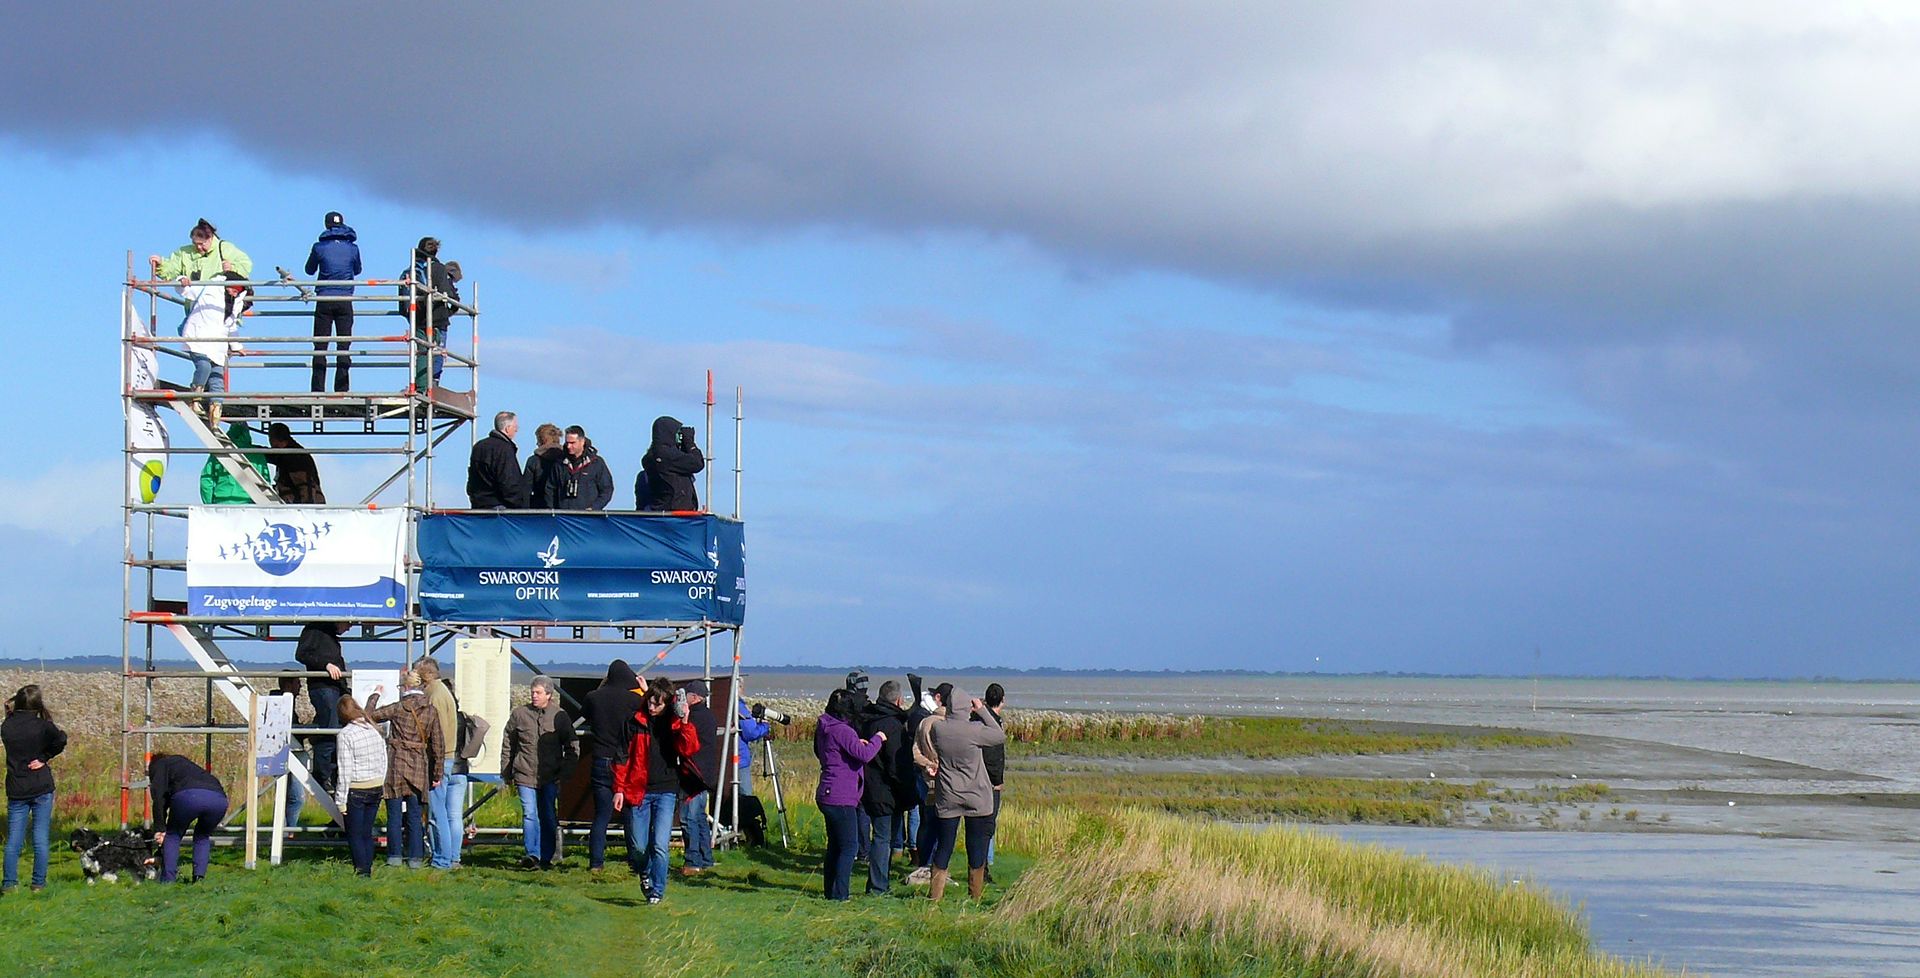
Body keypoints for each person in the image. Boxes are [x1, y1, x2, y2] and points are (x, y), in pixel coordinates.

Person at [612, 682, 699, 903]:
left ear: (667, 704)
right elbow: (622, 758)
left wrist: (685, 720)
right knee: (639, 846)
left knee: (660, 844)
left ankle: (657, 891)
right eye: (650, 702)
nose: (652, 707)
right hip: (638, 789)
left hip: (667, 790)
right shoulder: (633, 723)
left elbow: (689, 749)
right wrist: (619, 790)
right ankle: (645, 872)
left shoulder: (675, 722)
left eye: (657, 705)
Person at [924, 687, 1005, 902]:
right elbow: (999, 735)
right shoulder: (975, 729)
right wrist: (983, 710)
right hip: (976, 794)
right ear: (967, 707)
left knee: (945, 845)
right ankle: (975, 897)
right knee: (976, 845)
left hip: (948, 794)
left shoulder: (939, 729)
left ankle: (935, 898)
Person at [814, 688, 885, 901]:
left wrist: (857, 744)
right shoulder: (843, 730)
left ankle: (831, 890)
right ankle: (840, 894)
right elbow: (864, 755)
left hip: (827, 791)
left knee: (835, 846)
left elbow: (837, 751)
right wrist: (877, 739)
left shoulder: (825, 727)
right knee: (849, 847)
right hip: (840, 795)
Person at [368, 668, 441, 869]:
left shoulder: (398, 708)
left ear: (406, 687)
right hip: (418, 764)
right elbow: (438, 745)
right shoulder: (431, 710)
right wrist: (437, 773)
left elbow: (370, 716)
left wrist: (375, 694)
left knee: (394, 815)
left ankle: (394, 856)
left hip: (397, 763)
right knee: (415, 816)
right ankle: (416, 858)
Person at [501, 676, 576, 870]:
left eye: (538, 692)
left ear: (549, 695)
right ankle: (532, 854)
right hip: (524, 772)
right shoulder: (519, 714)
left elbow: (571, 744)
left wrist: (566, 772)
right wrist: (506, 771)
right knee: (530, 814)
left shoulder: (560, 716)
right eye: (532, 692)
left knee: (548, 815)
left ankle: (547, 856)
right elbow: (508, 742)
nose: (534, 695)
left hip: (550, 775)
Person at [580, 659, 645, 873]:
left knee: (601, 815)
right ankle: (635, 860)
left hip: (600, 758)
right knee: (630, 813)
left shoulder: (594, 697)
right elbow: (648, 714)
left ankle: (596, 863)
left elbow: (585, 712)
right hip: (624, 761)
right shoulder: (634, 700)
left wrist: (601, 687)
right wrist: (644, 691)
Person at [2, 684, 66, 894]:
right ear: (38, 705)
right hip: (40, 784)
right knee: (40, 838)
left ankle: (9, 884)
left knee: (14, 840)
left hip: (16, 786)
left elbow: (12, 722)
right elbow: (60, 739)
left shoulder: (7, 726)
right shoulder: (43, 726)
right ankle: (38, 883)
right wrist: (43, 758)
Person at [174, 271, 249, 428]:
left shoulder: (235, 303)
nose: (235, 293)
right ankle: (195, 398)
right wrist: (182, 280)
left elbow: (231, 326)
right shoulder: (210, 287)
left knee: (217, 378)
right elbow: (185, 290)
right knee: (204, 366)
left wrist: (237, 347)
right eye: (234, 289)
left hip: (218, 344)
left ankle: (216, 414)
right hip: (198, 337)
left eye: (238, 292)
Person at [857, 680, 912, 894]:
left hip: (868, 785)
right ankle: (878, 886)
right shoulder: (893, 725)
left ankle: (878, 883)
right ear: (898, 700)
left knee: (880, 837)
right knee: (882, 838)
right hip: (886, 789)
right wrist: (904, 787)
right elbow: (895, 763)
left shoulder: (867, 719)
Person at [148, 752, 229, 883]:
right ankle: (199, 879)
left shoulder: (160, 765)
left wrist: (160, 828)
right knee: (202, 836)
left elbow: (159, 799)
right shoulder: (185, 765)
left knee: (173, 836)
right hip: (219, 799)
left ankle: (168, 880)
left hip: (189, 797)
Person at [414, 657, 464, 869]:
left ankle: (442, 859)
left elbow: (435, 733)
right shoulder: (443, 691)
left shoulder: (433, 695)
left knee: (437, 813)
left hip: (439, 758)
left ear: (424, 675)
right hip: (448, 756)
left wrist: (434, 765)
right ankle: (449, 856)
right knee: (446, 812)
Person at [304, 211, 361, 392]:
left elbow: (309, 270)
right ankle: (342, 388)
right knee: (343, 344)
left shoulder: (319, 247)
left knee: (320, 345)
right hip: (345, 298)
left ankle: (318, 388)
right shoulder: (353, 248)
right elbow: (358, 270)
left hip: (324, 299)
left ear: (326, 225)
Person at [332, 694, 388, 877]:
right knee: (366, 832)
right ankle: (368, 868)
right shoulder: (373, 728)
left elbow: (345, 769)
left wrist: (340, 800)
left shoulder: (345, 734)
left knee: (355, 834)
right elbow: (383, 758)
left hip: (356, 788)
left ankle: (362, 871)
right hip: (376, 785)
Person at [293, 621, 350, 792]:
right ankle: (323, 774)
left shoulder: (330, 636)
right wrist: (326, 665)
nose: (350, 627)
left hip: (335, 689)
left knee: (337, 731)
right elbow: (302, 654)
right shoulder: (315, 630)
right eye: (349, 622)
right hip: (323, 688)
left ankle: (332, 774)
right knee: (330, 730)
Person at [905, 681, 952, 884]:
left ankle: (924, 862)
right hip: (945, 779)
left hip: (926, 776)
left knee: (926, 819)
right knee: (942, 823)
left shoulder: (925, 722)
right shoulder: (950, 725)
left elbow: (915, 751)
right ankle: (935, 865)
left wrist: (927, 764)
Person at [401, 237, 456, 393]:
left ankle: (419, 385)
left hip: (417, 318)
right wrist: (449, 312)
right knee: (436, 353)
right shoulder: (438, 268)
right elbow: (450, 296)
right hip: (437, 318)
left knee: (421, 352)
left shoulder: (412, 269)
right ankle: (431, 387)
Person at [678, 680, 721, 875]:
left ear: (694, 697)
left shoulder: (694, 718)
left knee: (688, 819)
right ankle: (706, 858)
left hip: (693, 774)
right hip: (705, 775)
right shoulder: (709, 716)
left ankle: (693, 860)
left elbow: (687, 743)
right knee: (700, 818)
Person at [150, 217, 252, 283]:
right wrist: (161, 264)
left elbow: (246, 264)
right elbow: (171, 270)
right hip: (195, 308)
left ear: (210, 238)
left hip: (220, 306)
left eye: (201, 244)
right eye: (195, 244)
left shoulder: (225, 248)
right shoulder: (184, 252)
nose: (198, 247)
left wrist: (232, 268)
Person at [638, 415, 704, 512]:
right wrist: (689, 443)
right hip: (675, 512)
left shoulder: (652, 456)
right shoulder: (666, 455)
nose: (679, 436)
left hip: (664, 510)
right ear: (669, 433)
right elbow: (697, 463)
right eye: (677, 433)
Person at [467, 411, 528, 509]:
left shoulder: (479, 446)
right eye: (515, 427)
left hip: (479, 506)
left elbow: (472, 477)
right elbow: (508, 481)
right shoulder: (504, 449)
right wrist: (519, 505)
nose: (516, 430)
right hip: (499, 507)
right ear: (508, 428)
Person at [199, 422, 271, 504]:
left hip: (221, 503)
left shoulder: (219, 453)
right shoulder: (257, 454)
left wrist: (209, 505)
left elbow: (206, 480)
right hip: (248, 506)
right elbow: (265, 483)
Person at [980, 683, 1007, 882]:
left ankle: (982, 864)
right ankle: (983, 867)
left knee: (983, 824)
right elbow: (993, 755)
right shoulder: (993, 724)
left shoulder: (979, 719)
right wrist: (997, 780)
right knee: (988, 824)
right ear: (1002, 701)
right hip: (989, 782)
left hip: (979, 779)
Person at [555, 425, 615, 511]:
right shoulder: (559, 463)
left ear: (582, 442)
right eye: (567, 443)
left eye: (572, 443)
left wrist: (594, 508)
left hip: (588, 519)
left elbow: (607, 489)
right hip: (563, 519)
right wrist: (554, 511)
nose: (568, 446)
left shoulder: (596, 463)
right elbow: (550, 489)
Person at [267, 423, 326, 503]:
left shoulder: (294, 457)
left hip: (300, 504)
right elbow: (271, 455)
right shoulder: (286, 453)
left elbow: (304, 485)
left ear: (273, 439)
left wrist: (307, 508)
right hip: (301, 502)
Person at [522, 423, 565, 508]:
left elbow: (526, 489)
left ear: (541, 440)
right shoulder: (565, 459)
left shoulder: (533, 461)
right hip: (563, 507)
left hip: (539, 507)